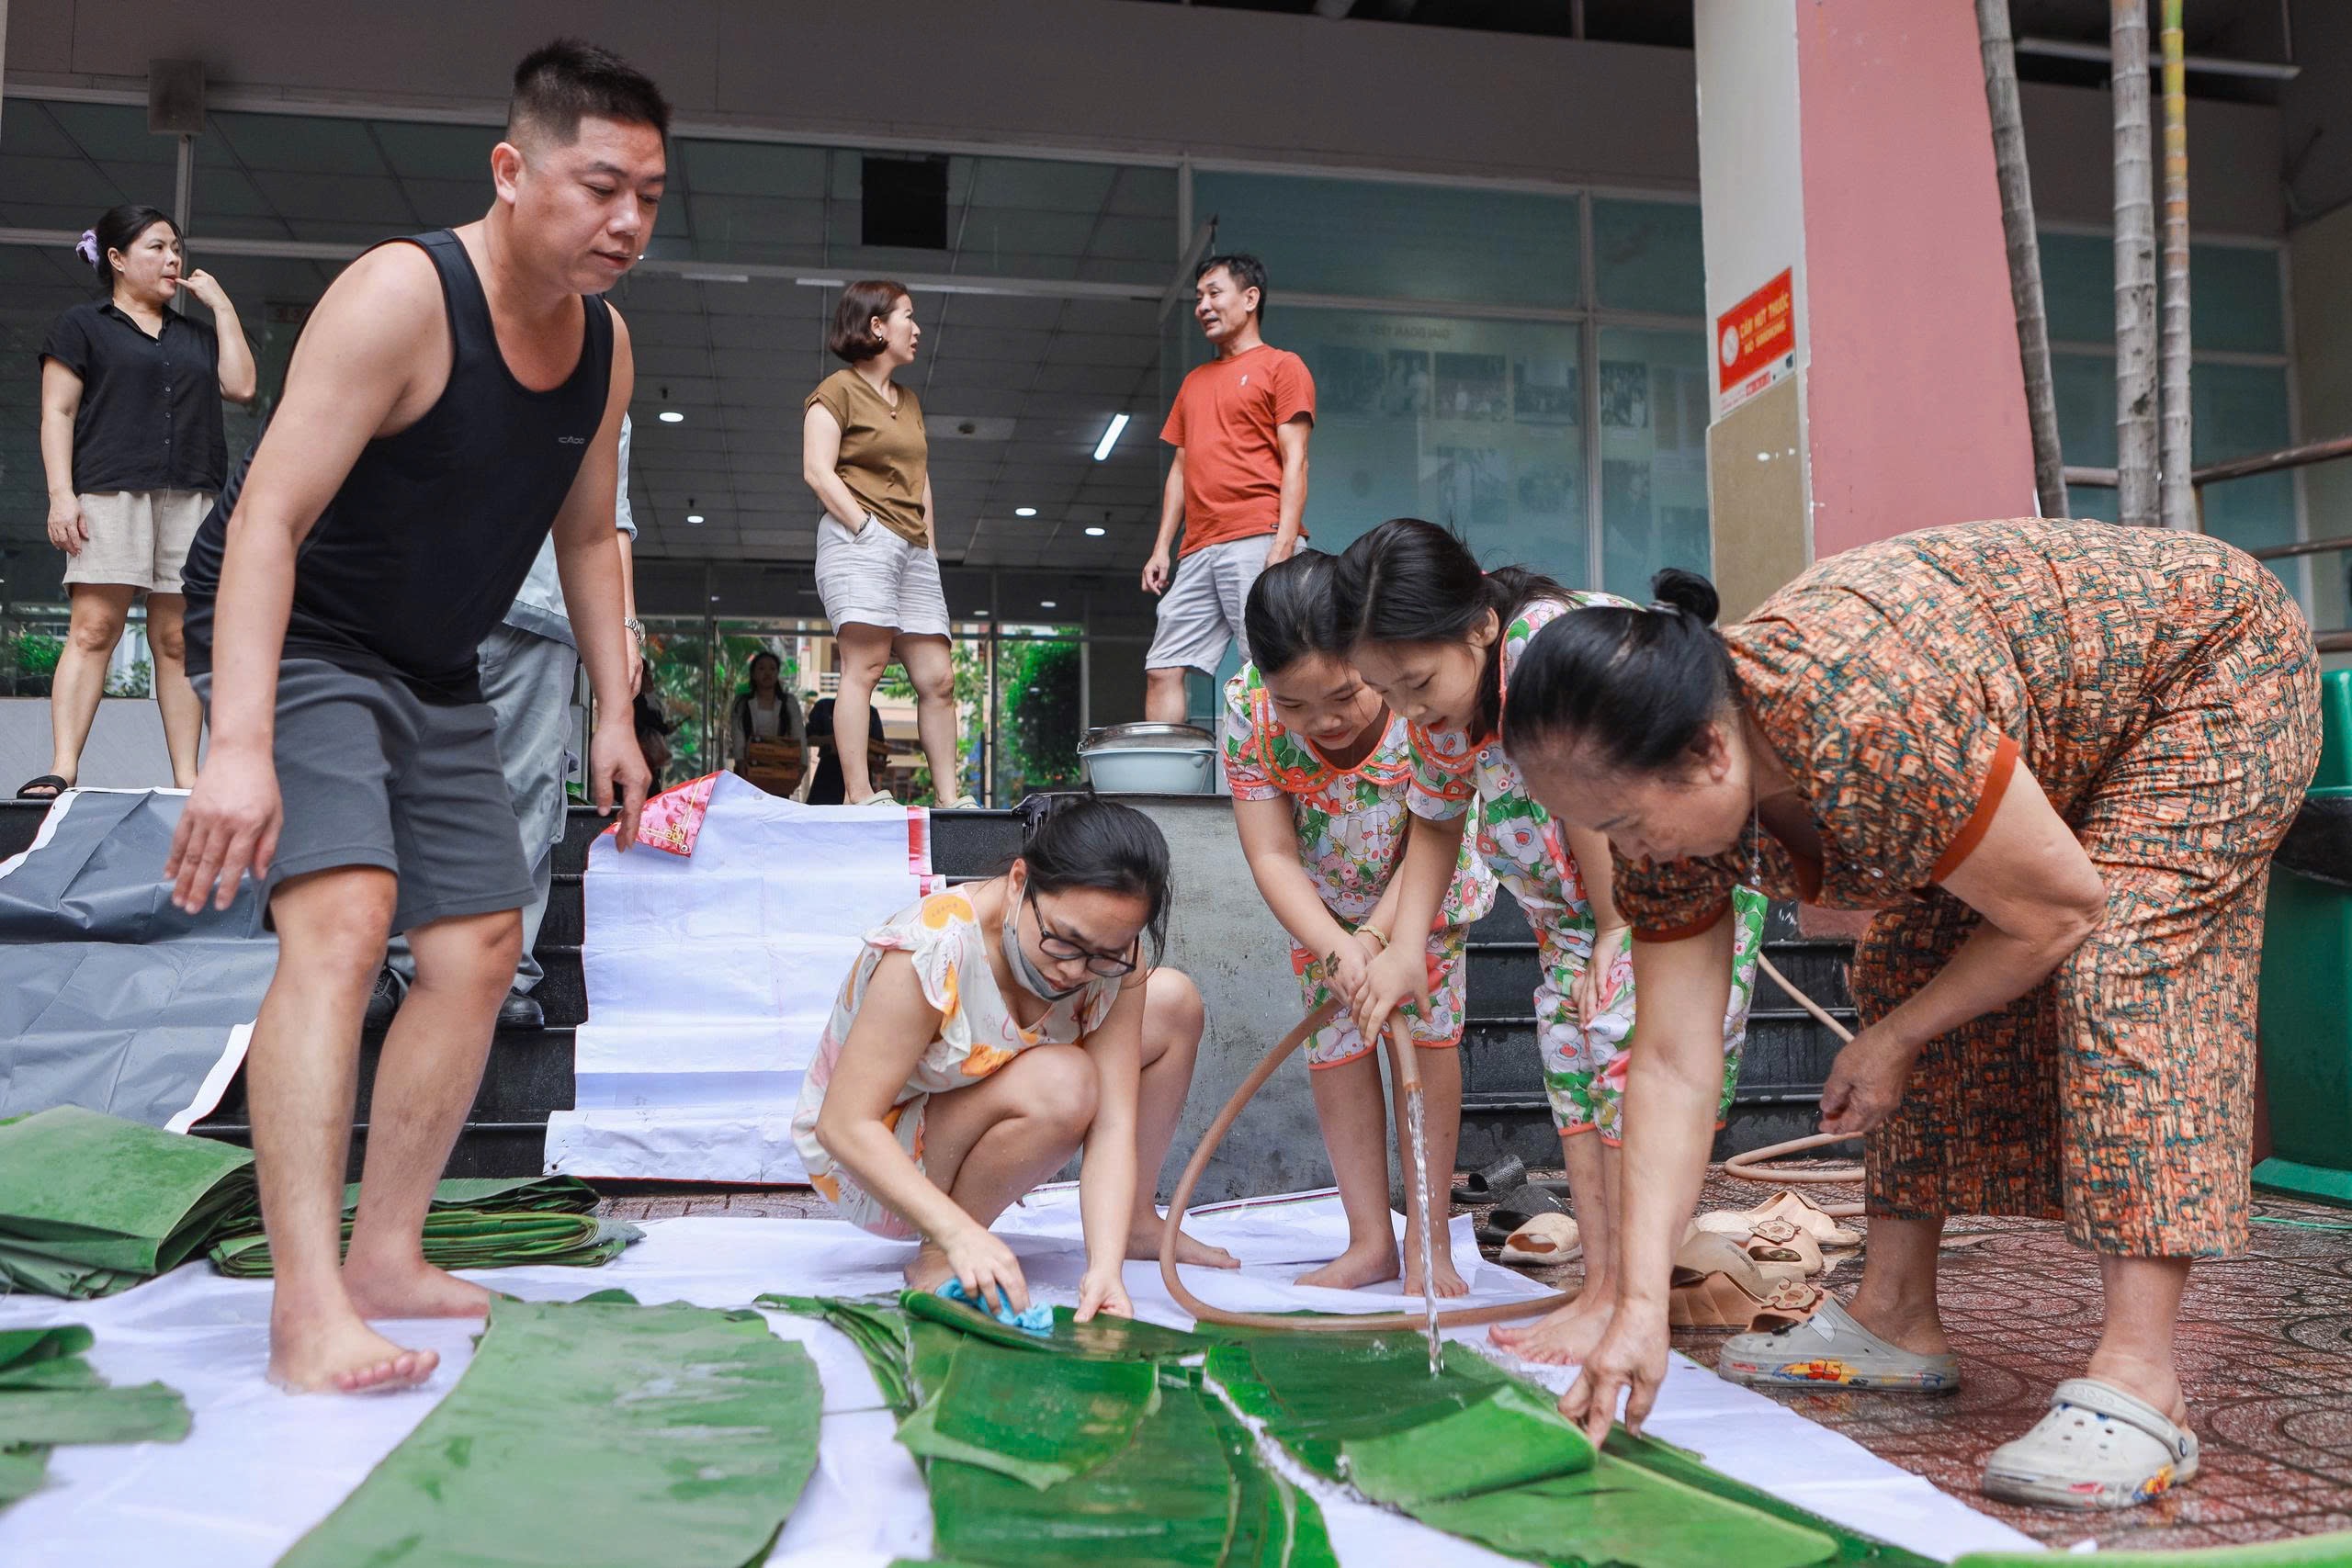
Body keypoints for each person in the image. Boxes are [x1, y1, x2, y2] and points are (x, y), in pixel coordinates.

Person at [1524, 524, 2319, 1512]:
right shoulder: (1678, 809)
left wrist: (1895, 1041)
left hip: (2205, 670)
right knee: (1908, 959)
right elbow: (1676, 1062)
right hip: (2033, 721)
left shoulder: (1863, 720)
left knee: (2125, 964)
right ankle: (1895, 1316)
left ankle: (2141, 1378)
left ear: (1709, 748)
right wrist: (1635, 1308)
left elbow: (2059, 909)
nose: (1618, 852)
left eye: (1619, 824)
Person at [163, 39, 664, 1394]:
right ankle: (306, 1303)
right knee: (344, 917)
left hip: (436, 654)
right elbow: (266, 515)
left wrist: (615, 708)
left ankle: (387, 1252)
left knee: (482, 939)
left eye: (651, 197)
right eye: (600, 184)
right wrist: (241, 744)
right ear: (513, 171)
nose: (626, 221)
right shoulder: (402, 295)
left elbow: (587, 541)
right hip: (304, 626)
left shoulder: (606, 348)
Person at [1333, 518, 1763, 1366]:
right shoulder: (1439, 710)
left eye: (1417, 682)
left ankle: (1627, 1299)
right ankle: (1601, 1290)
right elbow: (1434, 821)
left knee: (1621, 1062)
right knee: (1572, 1067)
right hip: (1566, 915)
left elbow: (1596, 793)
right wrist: (1398, 945)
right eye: (1391, 692)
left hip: (1660, 881)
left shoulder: (1542, 646)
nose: (1412, 710)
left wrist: (1615, 926)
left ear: (1478, 626)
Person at [794, 795, 1239, 1316]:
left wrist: (1104, 1269)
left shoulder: (1117, 963)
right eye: (1064, 941)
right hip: (874, 1167)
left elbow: (1115, 1123)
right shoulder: (934, 948)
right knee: (1065, 1081)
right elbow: (844, 1126)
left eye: (1105, 952)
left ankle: (1135, 1221)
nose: (1074, 971)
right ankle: (942, 1247)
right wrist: (958, 1236)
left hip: (976, 1100)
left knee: (1173, 1002)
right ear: (1018, 881)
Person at [1220, 551, 1497, 1294]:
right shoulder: (1247, 706)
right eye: (1296, 706)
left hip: (1420, 905)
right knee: (1338, 1048)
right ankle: (1371, 1240)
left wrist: (1381, 936)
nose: (1325, 722)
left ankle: (1429, 1243)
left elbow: (1436, 830)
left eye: (1344, 694)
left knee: (1426, 1041)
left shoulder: (1415, 703)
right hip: (1323, 913)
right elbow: (1272, 851)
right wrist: (1337, 943)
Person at [371, 413, 644, 1033]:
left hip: (547, 613)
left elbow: (608, 524)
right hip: (426, 600)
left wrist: (624, 627)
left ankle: (505, 971)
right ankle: (398, 963)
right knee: (413, 780)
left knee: (528, 793)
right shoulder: (441, 338)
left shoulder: (604, 390)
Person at [23, 206, 256, 799]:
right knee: (94, 626)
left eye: (176, 248)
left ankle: (188, 778)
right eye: (156, 247)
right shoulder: (83, 326)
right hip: (109, 490)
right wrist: (60, 494)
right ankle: (64, 766)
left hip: (190, 495)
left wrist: (221, 306)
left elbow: (243, 385)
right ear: (117, 260)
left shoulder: (195, 336)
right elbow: (58, 412)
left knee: (178, 638)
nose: (172, 259)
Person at [802, 281, 968, 808]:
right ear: (877, 327)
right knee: (865, 667)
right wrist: (866, 528)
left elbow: (921, 480)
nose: (916, 329)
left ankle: (949, 798)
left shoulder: (910, 401)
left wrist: (931, 549)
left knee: (937, 677)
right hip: (861, 539)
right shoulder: (836, 391)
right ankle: (858, 793)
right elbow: (817, 472)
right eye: (907, 317)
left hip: (913, 547)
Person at [1140, 254, 1315, 723]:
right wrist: (1162, 547)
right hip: (1198, 548)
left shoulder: (1282, 366)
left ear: (1250, 297)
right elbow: (1181, 468)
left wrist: (1283, 543)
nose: (1202, 305)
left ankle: (1281, 785)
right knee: (1162, 667)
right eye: (1198, 297)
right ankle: (1160, 795)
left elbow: (1296, 459)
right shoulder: (1194, 382)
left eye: (1214, 293)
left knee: (1268, 666)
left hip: (1260, 535)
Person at [803, 692, 888, 807]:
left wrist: (877, 763)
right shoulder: (825, 706)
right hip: (828, 774)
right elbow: (806, 738)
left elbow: (879, 753)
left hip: (860, 776)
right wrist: (832, 740)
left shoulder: (871, 713)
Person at [729, 649, 808, 768]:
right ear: (753, 674)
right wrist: (740, 762)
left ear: (777, 673)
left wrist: (802, 765)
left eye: (772, 669)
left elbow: (799, 735)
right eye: (761, 669)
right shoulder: (742, 703)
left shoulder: (789, 702)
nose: (767, 673)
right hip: (749, 767)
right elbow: (737, 736)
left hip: (781, 767)